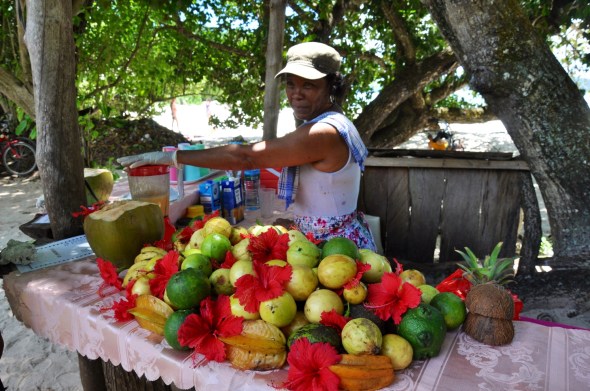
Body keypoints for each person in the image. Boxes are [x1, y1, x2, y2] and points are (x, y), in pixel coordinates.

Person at [118, 42, 376, 251]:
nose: (296, 94)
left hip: (338, 251)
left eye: (308, 85)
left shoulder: (323, 132)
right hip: (331, 239)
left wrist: (174, 158)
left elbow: (246, 158)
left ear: (331, 86)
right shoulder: (333, 121)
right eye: (290, 84)